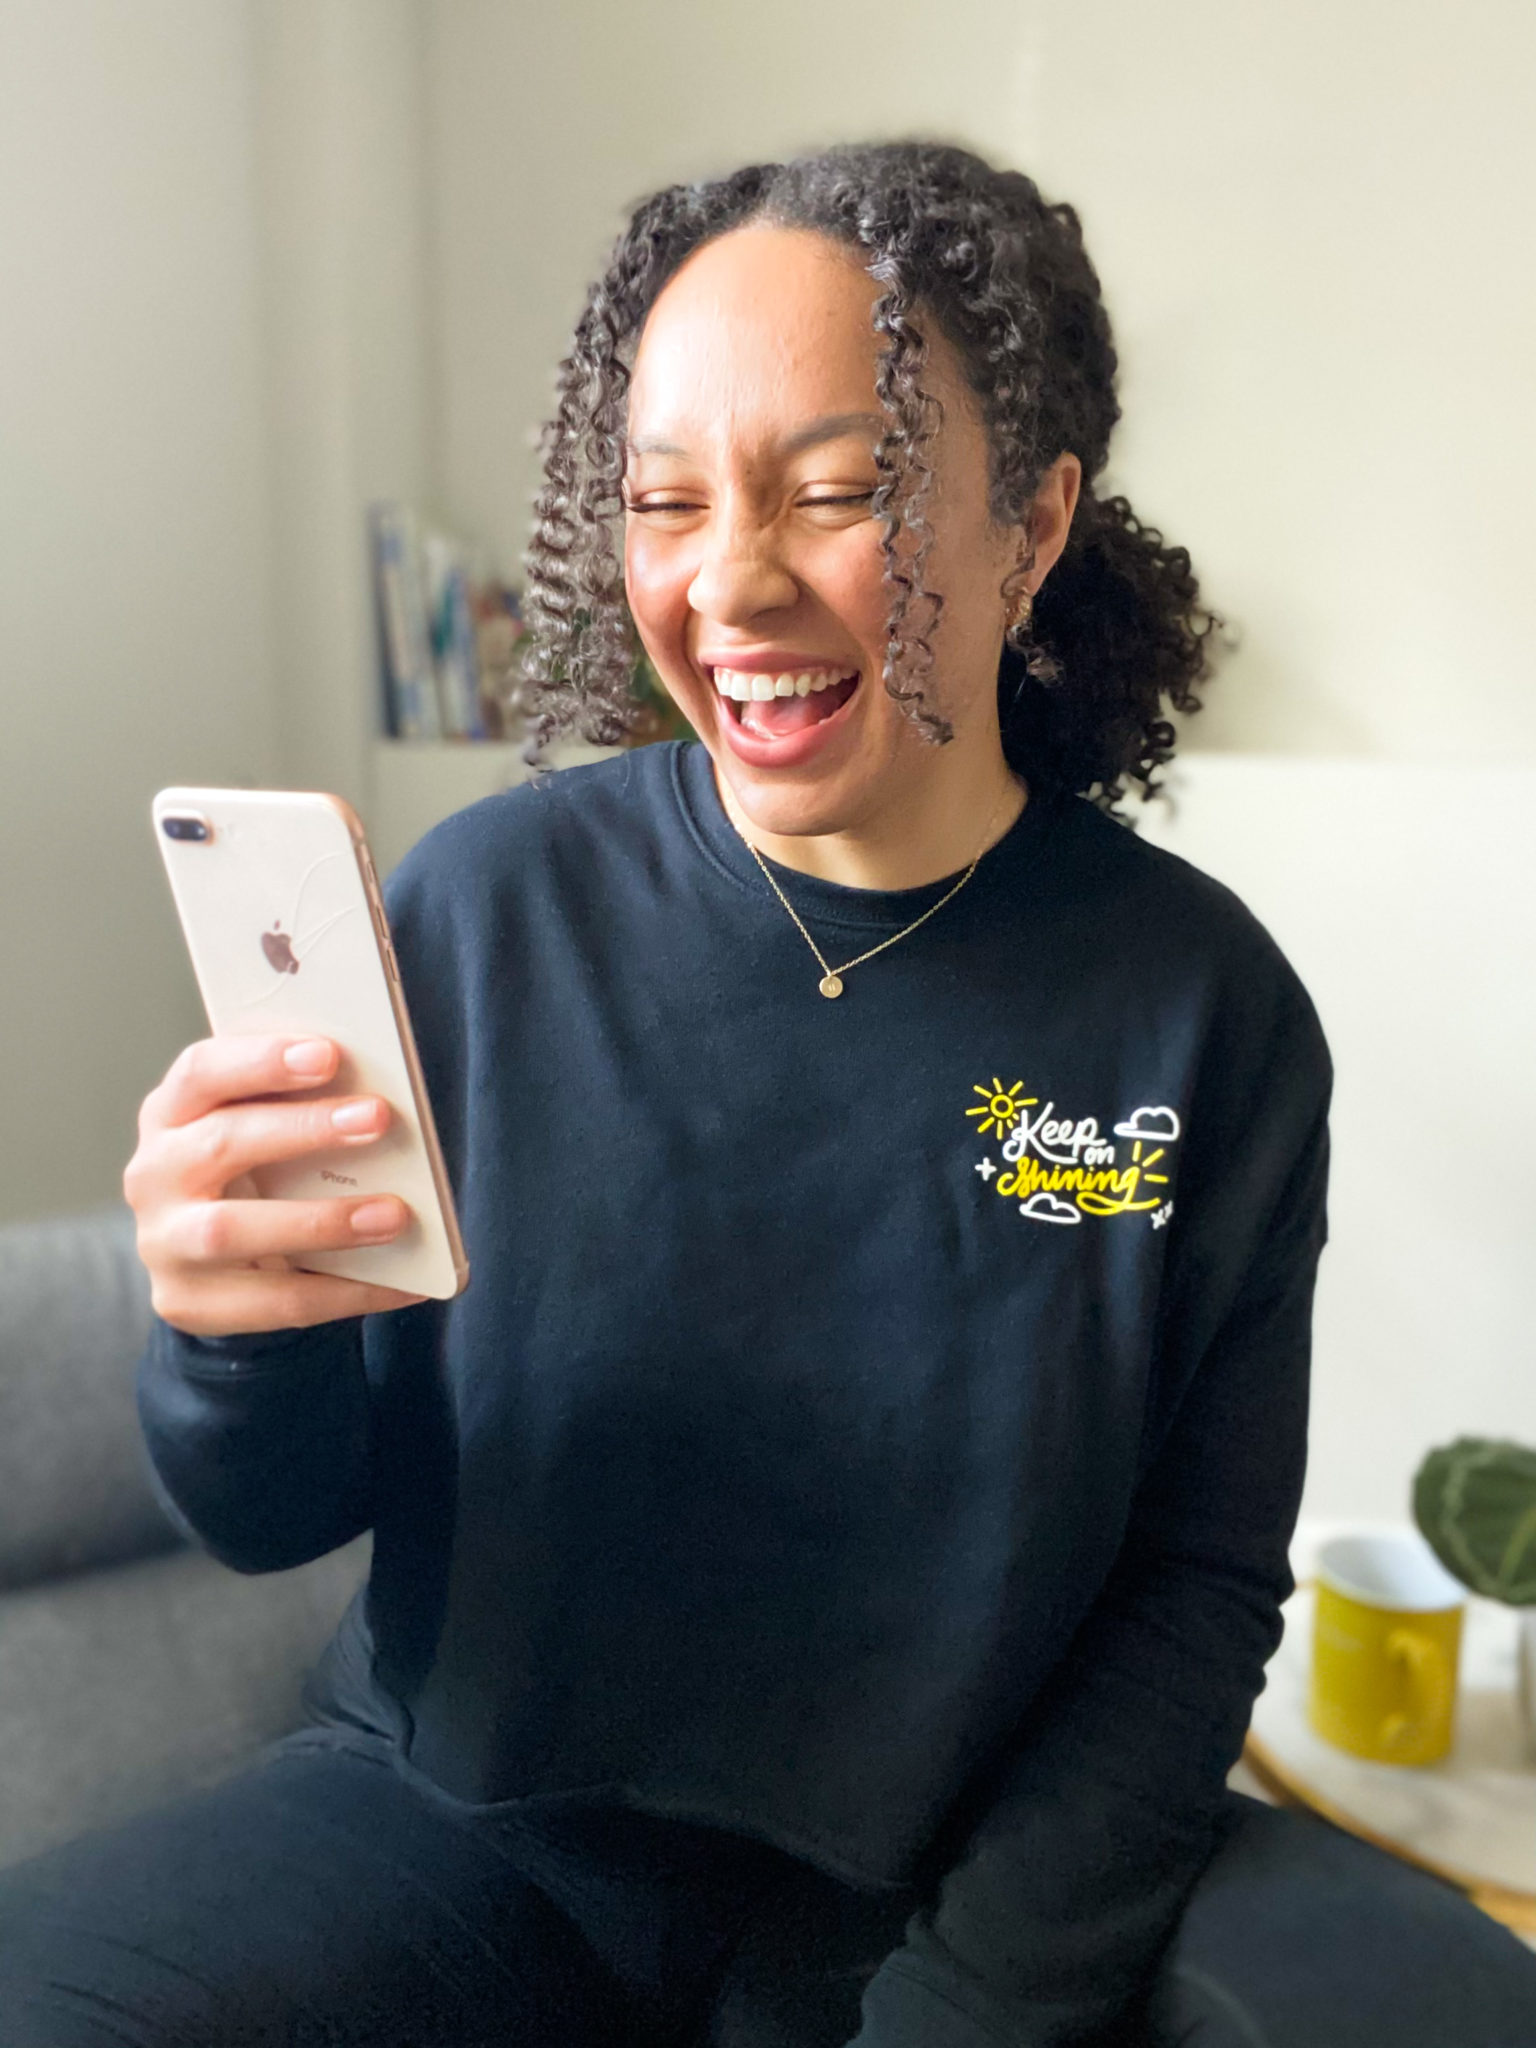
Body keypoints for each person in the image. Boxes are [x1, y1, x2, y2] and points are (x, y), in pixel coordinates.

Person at [4, 140, 1534, 2048]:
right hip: (449, 1823)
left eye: (835, 489)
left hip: (894, 1897)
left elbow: (1195, 1595)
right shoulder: (482, 911)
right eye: (664, 500)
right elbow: (272, 1509)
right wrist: (228, 1334)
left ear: (1032, 523)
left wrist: (967, 2008)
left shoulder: (1201, 1019)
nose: (729, 581)